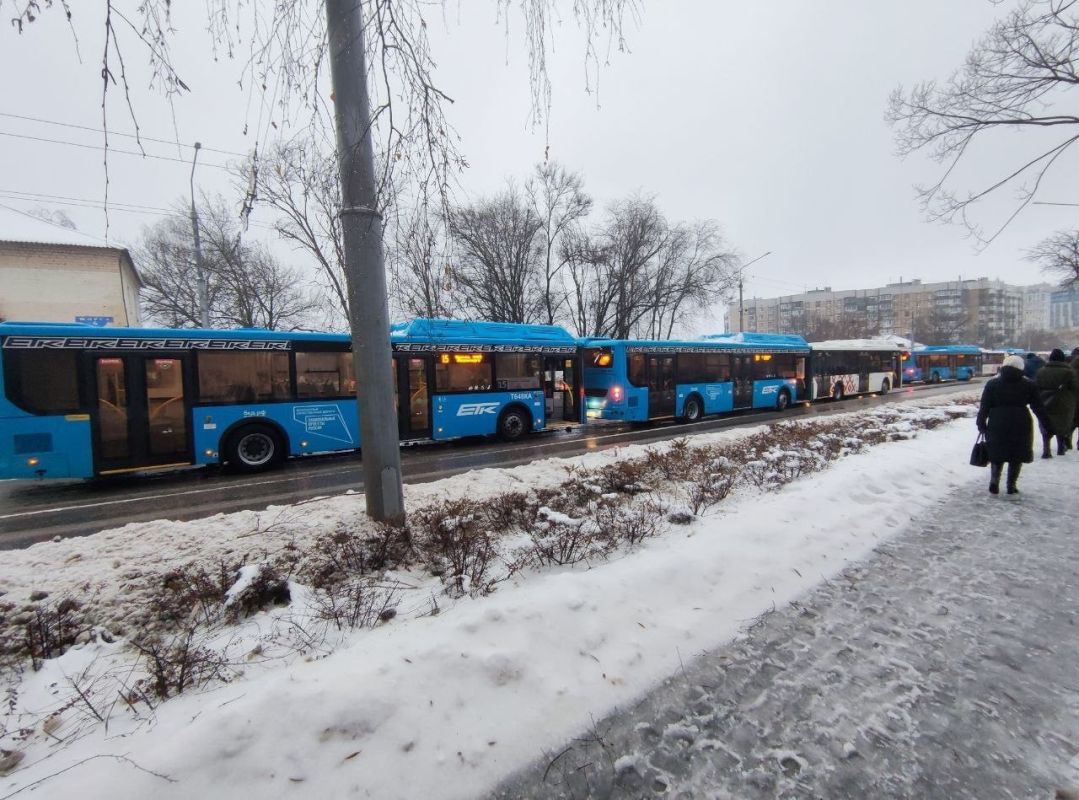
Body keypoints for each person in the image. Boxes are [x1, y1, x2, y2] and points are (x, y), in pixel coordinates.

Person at [976, 354, 1050, 496]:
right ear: (1021, 368)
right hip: (1020, 422)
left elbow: (984, 406)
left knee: (998, 453)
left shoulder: (992, 384)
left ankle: (994, 481)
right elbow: (1038, 407)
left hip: (997, 422)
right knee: (1017, 454)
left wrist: (981, 423)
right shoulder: (1029, 385)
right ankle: (1011, 485)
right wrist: (1046, 423)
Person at [1034, 348, 1078, 457]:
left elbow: (1035, 387)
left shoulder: (1041, 371)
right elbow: (1075, 387)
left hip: (1045, 402)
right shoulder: (1069, 372)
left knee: (1045, 423)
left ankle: (1046, 449)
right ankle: (1060, 448)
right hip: (1064, 403)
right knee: (1061, 424)